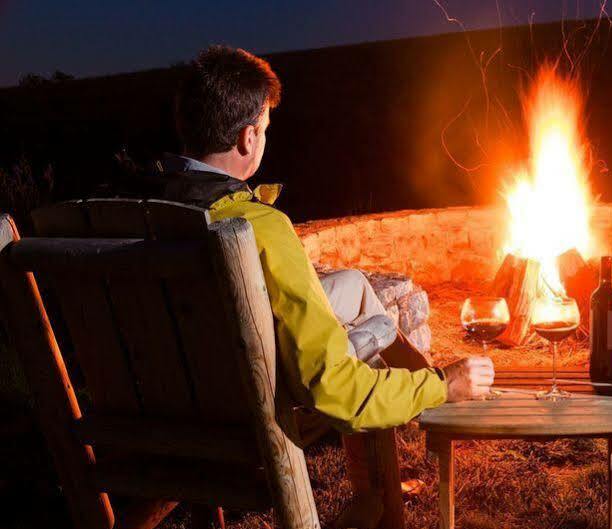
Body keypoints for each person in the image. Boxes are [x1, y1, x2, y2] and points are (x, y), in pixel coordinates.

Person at [108, 46, 494, 490]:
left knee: (353, 286)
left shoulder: (132, 212)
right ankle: (435, 395)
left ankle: (422, 387)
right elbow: (330, 389)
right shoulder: (260, 228)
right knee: (374, 330)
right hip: (244, 411)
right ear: (248, 138)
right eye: (266, 129)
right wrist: (441, 385)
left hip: (165, 397)